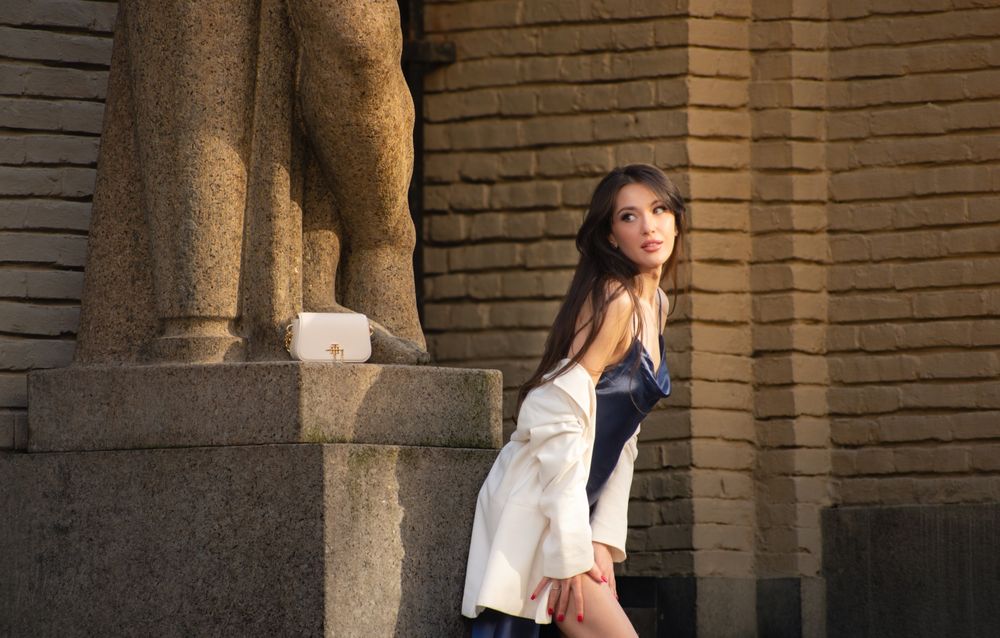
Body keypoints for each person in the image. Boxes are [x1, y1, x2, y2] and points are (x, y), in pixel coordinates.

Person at [461, 164, 687, 637]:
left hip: (577, 513)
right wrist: (569, 550)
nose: (649, 226)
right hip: (543, 508)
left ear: (675, 220)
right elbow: (553, 415)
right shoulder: (615, 301)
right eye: (629, 216)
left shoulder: (657, 306)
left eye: (659, 210)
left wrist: (602, 538)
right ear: (610, 236)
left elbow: (624, 435)